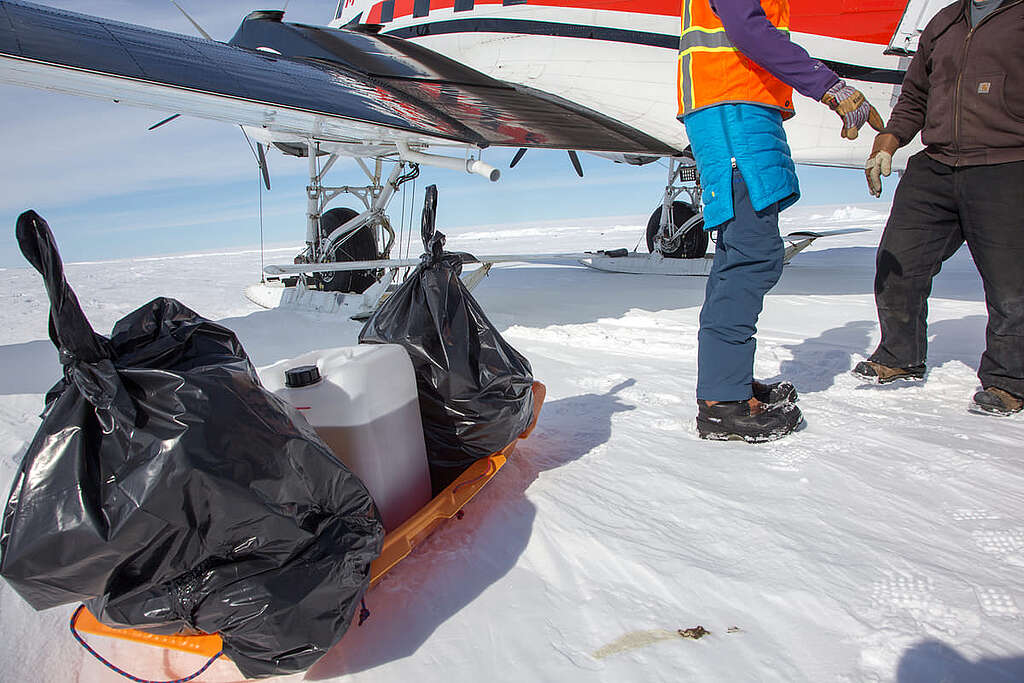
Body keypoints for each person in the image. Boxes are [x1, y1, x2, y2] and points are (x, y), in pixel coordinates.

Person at [680, 0, 883, 441]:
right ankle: (721, 404)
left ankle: (725, 383)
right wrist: (830, 86)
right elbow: (748, 31)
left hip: (739, 111)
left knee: (740, 253)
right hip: (734, 112)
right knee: (751, 255)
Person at [856, 0, 1024, 417]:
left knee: (1011, 285)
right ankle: (900, 355)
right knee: (899, 264)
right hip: (937, 164)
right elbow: (915, 94)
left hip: (1007, 163)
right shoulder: (945, 19)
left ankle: (1008, 380)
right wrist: (887, 142)